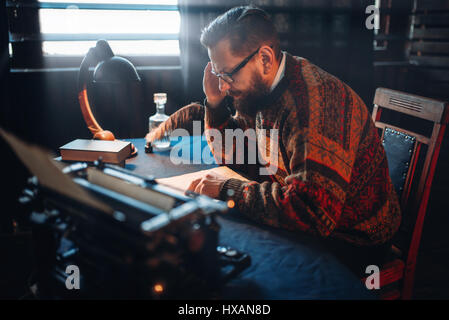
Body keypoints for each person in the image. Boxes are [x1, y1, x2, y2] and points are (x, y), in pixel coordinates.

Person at [146, 6, 401, 269]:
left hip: (355, 240)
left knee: (239, 260)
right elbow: (233, 155)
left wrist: (227, 189)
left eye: (227, 74)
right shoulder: (260, 90)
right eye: (218, 75)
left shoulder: (317, 102)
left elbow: (312, 212)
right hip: (313, 222)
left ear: (265, 58)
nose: (222, 85)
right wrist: (214, 103)